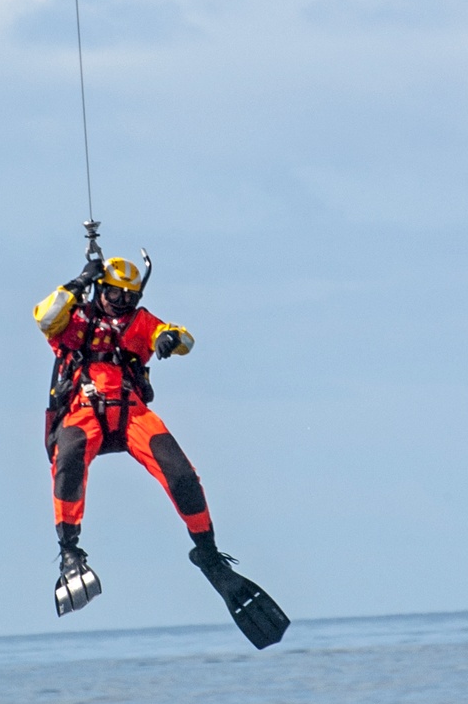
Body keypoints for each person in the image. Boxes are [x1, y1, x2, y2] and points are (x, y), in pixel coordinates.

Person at [33, 250, 289, 647]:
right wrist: (78, 282)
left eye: (128, 298)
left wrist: (170, 339)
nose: (121, 304)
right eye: (115, 295)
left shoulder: (138, 322)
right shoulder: (73, 318)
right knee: (67, 462)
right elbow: (44, 316)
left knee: (181, 474)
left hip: (131, 411)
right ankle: (70, 552)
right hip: (81, 410)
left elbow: (181, 336)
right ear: (101, 288)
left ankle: (207, 550)